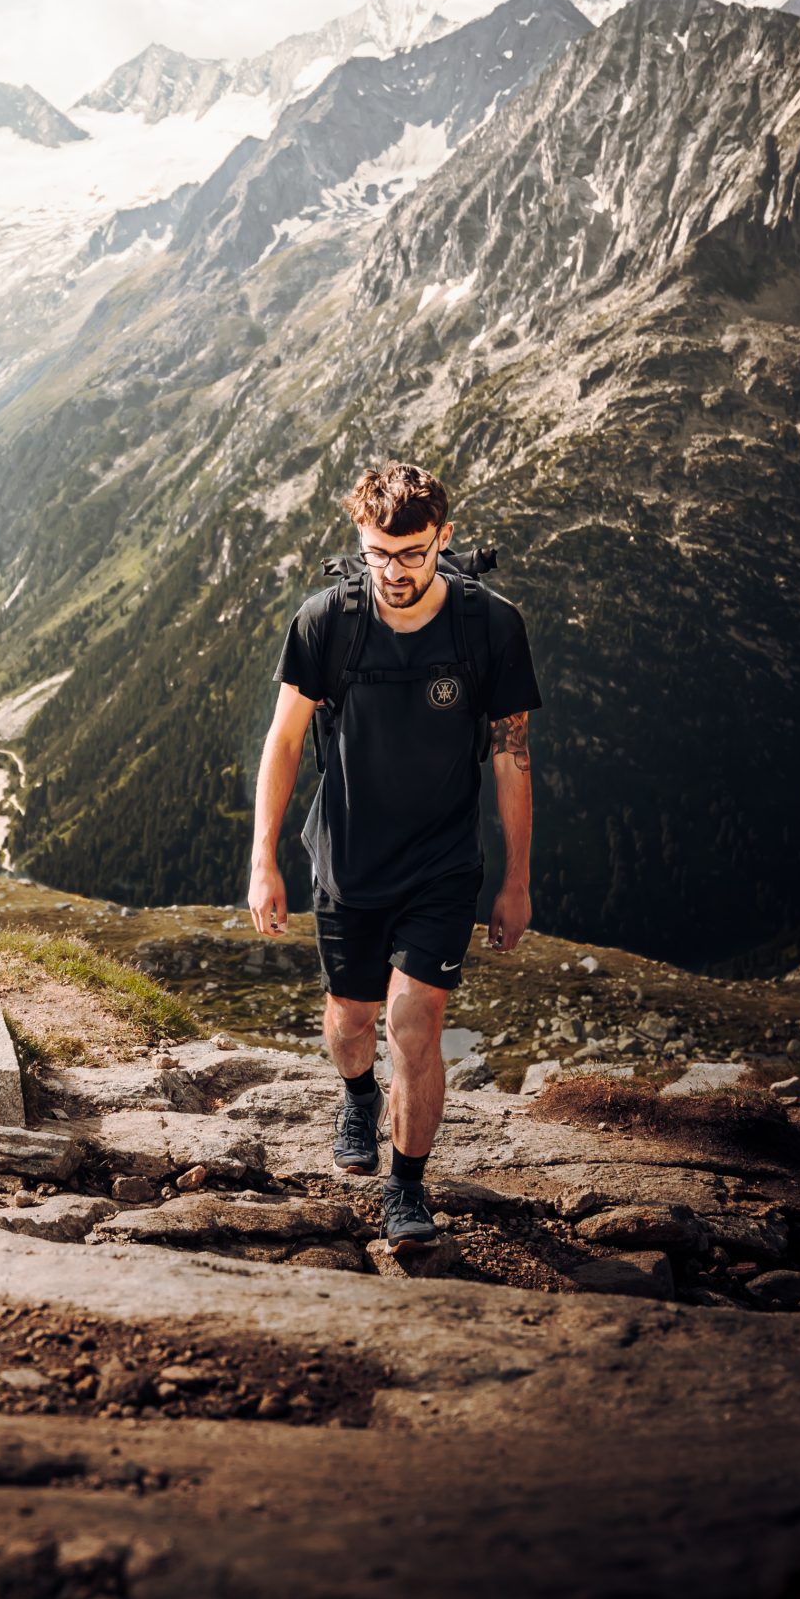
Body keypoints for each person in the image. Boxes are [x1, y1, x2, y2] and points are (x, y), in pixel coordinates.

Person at [248, 461, 541, 1249]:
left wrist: (515, 882)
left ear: (442, 540)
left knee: (414, 1022)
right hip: (347, 860)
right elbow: (281, 743)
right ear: (360, 540)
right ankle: (356, 1096)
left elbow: (512, 756)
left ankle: (407, 1190)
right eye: (379, 552)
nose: (395, 571)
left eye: (412, 553)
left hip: (442, 866)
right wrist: (262, 859)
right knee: (350, 1023)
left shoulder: (490, 625)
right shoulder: (326, 622)